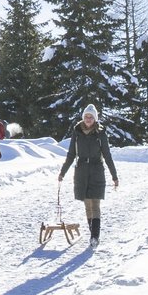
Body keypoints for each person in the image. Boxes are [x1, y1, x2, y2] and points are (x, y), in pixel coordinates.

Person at [58, 104, 119, 244]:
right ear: (83, 117)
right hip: (81, 172)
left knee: (95, 204)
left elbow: (107, 155)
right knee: (87, 205)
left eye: (91, 117)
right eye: (86, 116)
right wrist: (62, 172)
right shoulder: (77, 132)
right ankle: (93, 233)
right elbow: (71, 154)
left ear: (95, 118)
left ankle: (95, 236)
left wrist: (114, 176)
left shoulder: (100, 133)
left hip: (97, 171)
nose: (88, 119)